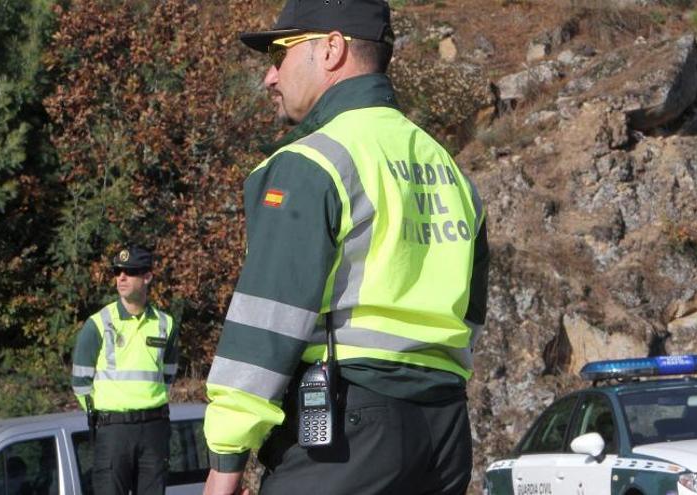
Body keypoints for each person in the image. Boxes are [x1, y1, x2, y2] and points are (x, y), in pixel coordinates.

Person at [202, 0, 489, 494]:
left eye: (279, 55)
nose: (270, 78)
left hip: (347, 432)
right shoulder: (448, 170)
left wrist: (225, 460)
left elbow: (268, 317)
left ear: (331, 49)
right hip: (444, 432)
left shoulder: (312, 161)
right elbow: (472, 314)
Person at [71, 245, 179, 495]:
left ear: (147, 277)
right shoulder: (98, 323)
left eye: (129, 272)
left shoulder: (166, 324)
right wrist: (103, 412)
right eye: (118, 271)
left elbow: (168, 373)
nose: (121, 277)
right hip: (113, 429)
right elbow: (80, 382)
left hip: (154, 427)